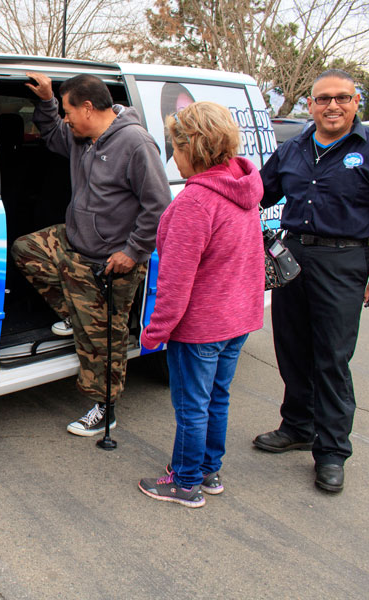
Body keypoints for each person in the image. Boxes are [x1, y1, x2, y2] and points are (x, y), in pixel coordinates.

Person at [255, 69, 369, 493]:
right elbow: (257, 193)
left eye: (341, 98)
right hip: (292, 256)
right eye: (323, 99)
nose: (332, 106)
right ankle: (298, 426)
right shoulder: (294, 148)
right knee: (291, 348)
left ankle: (331, 451)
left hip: (344, 261)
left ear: (356, 101)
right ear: (311, 105)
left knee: (331, 358)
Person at [12, 72, 170, 436]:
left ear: (87, 107)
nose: (65, 120)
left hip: (111, 261)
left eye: (68, 111)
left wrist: (132, 252)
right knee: (27, 249)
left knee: (103, 340)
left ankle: (105, 408)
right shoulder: (83, 137)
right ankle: (74, 313)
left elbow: (159, 206)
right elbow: (53, 136)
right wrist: (50, 99)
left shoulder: (134, 143)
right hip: (76, 242)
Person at [137, 102, 264, 507]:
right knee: (217, 399)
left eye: (175, 146)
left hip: (201, 326)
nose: (172, 155)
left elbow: (174, 281)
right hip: (237, 319)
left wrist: (154, 332)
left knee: (192, 406)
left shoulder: (195, 203)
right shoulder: (241, 188)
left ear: (195, 146)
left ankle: (186, 482)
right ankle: (209, 471)